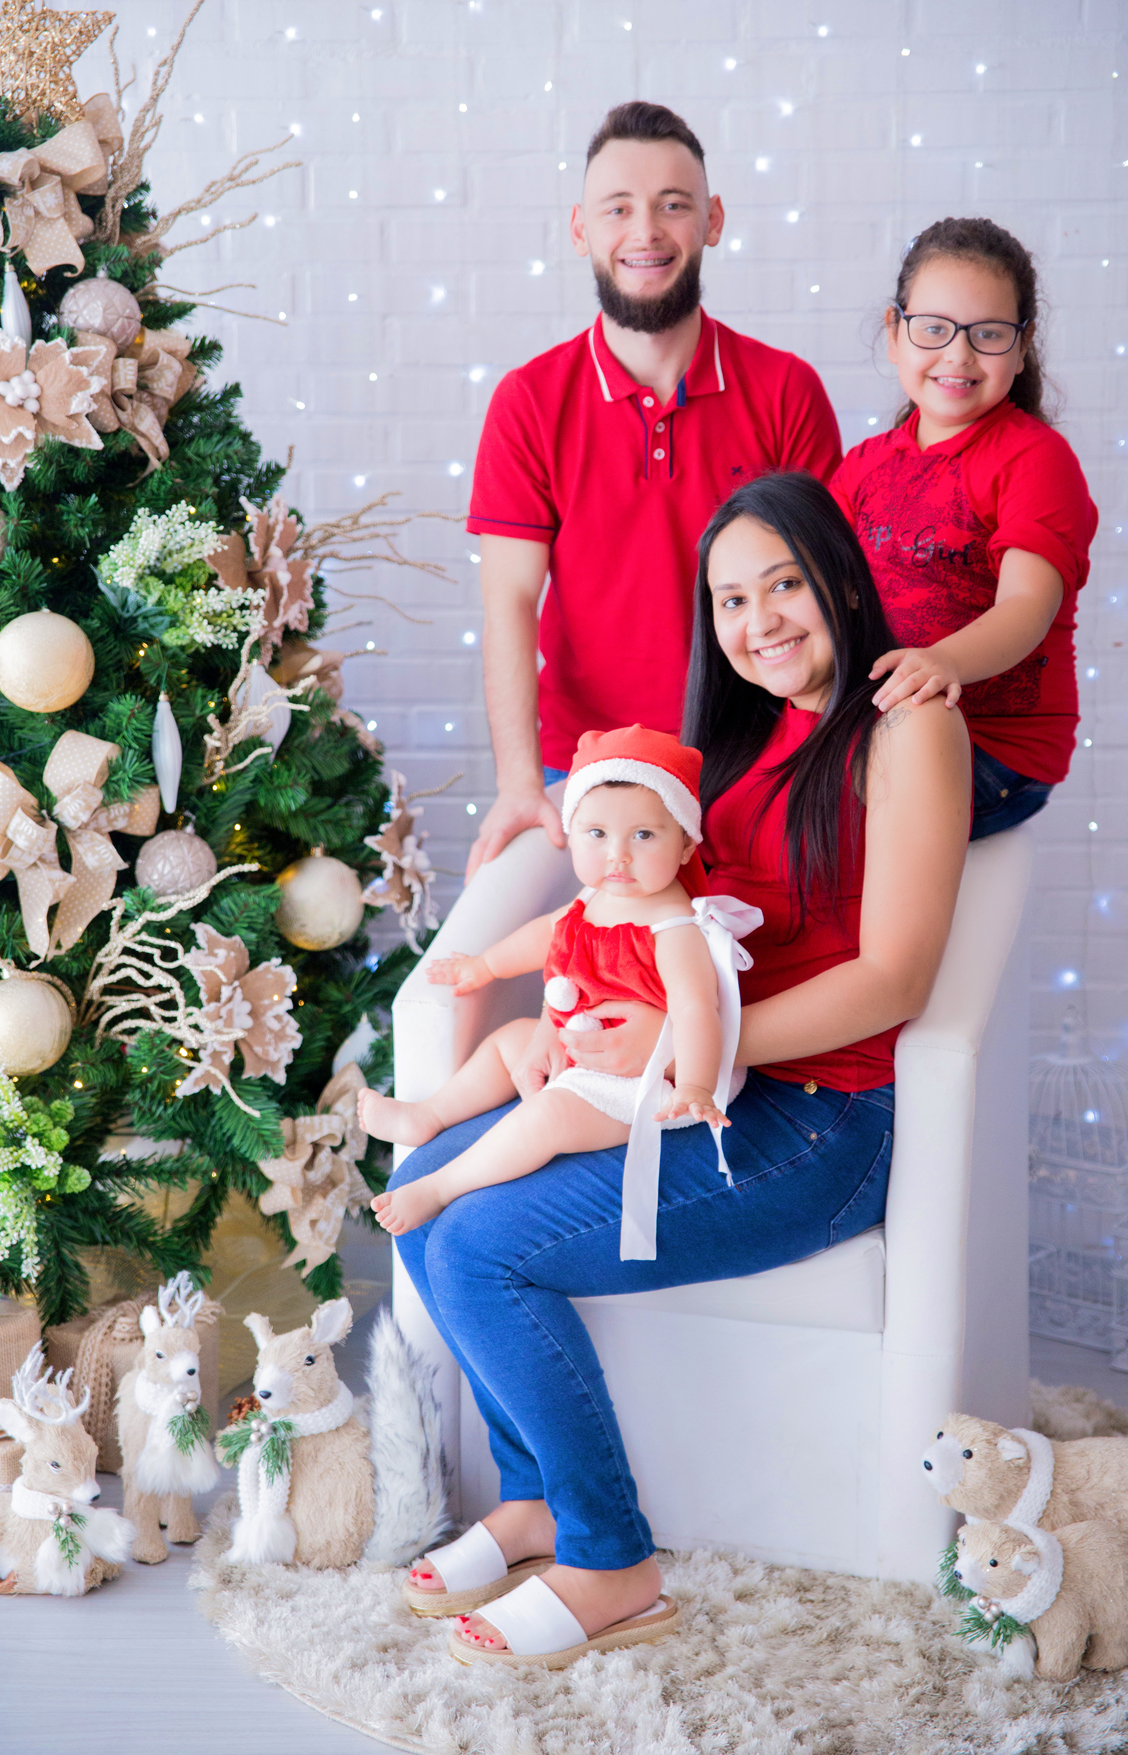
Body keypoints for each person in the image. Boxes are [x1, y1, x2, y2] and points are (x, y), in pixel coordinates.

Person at [388, 472, 971, 1668]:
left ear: (841, 579)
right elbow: (653, 915)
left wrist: (676, 1045)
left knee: (476, 1242)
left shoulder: (910, 727)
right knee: (425, 1187)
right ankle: (538, 1495)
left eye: (785, 586)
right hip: (693, 1094)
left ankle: (614, 1561)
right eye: (729, 600)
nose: (758, 621)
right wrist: (588, 1007)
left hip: (818, 1129)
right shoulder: (747, 740)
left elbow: (897, 980)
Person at [464, 99, 842, 881]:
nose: (646, 232)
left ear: (713, 221)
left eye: (674, 206)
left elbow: (825, 600)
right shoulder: (528, 403)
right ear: (580, 230)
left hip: (759, 770)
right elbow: (508, 604)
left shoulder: (785, 391)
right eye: (619, 209)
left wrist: (820, 770)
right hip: (596, 781)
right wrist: (517, 786)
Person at [360, 726, 761, 1248]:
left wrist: (695, 1087)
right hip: (584, 1042)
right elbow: (548, 934)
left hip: (638, 1079)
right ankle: (428, 1114)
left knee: (548, 1116)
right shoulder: (595, 896)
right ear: (573, 832)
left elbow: (695, 1011)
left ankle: (440, 1187)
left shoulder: (674, 926)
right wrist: (483, 966)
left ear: (686, 844)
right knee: (508, 1041)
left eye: (643, 835)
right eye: (597, 834)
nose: (618, 856)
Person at [831, 217, 1096, 839]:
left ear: (1023, 344)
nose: (958, 354)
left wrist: (943, 660)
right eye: (933, 329)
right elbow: (824, 589)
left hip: (996, 752)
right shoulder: (864, 465)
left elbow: (1028, 605)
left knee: (816, 813)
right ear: (895, 334)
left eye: (988, 334)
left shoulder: (1034, 459)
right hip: (891, 725)